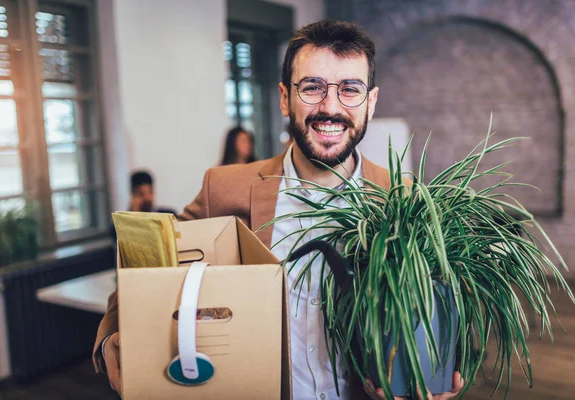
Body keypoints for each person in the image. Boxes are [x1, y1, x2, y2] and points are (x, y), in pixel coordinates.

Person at [94, 21, 464, 400]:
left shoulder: (401, 197)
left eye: (350, 89)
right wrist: (110, 336)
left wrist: (434, 372)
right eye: (312, 87)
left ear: (370, 102)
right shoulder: (223, 188)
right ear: (285, 97)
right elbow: (145, 264)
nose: (330, 107)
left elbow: (440, 305)